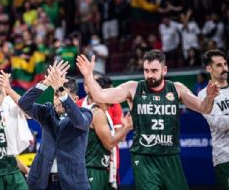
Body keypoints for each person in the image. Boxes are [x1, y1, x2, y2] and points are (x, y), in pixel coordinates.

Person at [76, 49, 219, 190]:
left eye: (154, 71)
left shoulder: (177, 89)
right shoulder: (133, 88)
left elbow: (203, 108)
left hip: (170, 156)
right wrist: (88, 75)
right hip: (144, 157)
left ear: (164, 70)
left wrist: (210, 97)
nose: (149, 75)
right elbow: (100, 95)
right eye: (146, 70)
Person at [18, 61, 93, 190]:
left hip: (72, 183)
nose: (58, 100)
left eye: (62, 95)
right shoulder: (47, 111)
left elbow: (79, 122)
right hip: (43, 182)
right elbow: (24, 103)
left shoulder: (85, 114)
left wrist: (60, 89)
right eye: (56, 95)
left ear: (74, 99)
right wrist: (46, 83)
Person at [83, 75, 132, 189]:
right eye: (112, 91)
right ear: (103, 93)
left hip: (103, 168)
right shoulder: (98, 113)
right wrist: (127, 128)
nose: (115, 94)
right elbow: (109, 143)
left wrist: (125, 127)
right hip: (93, 170)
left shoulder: (103, 112)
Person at [198, 49, 229, 189]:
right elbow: (218, 122)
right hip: (224, 157)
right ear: (209, 68)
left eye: (225, 64)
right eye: (219, 65)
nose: (225, 68)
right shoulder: (204, 94)